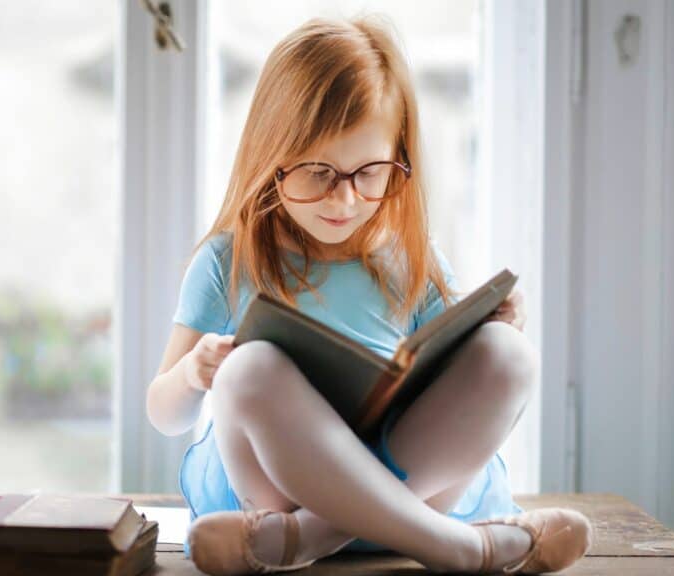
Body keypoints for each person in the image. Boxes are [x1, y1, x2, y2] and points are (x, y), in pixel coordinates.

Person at [146, 15, 592, 575]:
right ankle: (463, 549)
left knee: (509, 354)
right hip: (276, 494)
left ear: (398, 160)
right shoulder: (228, 259)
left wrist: (498, 322)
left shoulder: (410, 256)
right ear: (270, 156)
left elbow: (461, 373)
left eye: (370, 173)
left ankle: (310, 538)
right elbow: (163, 414)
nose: (346, 200)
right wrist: (193, 373)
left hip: (390, 492)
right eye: (316, 173)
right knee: (247, 369)